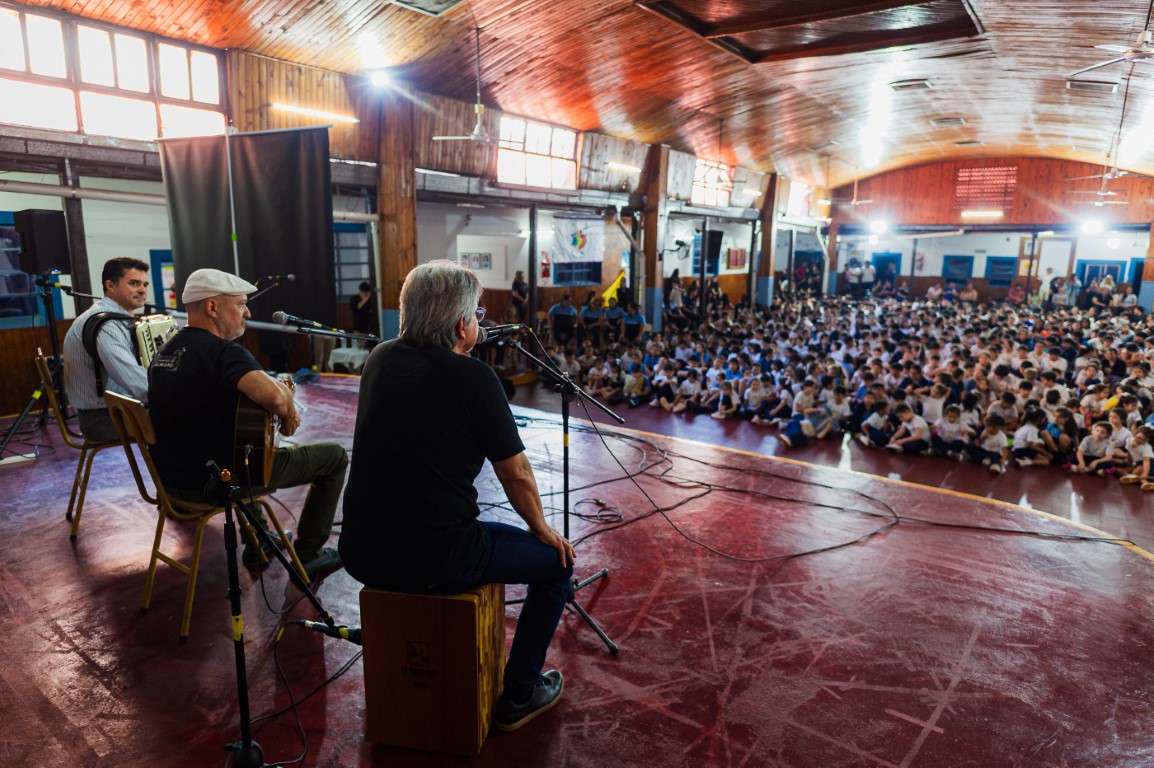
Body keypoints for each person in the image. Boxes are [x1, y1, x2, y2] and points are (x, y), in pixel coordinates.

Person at [339, 260, 574, 732]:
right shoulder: (474, 379)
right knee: (557, 568)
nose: (480, 323)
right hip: (437, 555)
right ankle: (520, 694)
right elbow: (517, 475)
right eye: (477, 314)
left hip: (362, 551)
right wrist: (543, 531)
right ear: (460, 324)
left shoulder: (380, 358)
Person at [148, 269, 346, 575]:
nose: (247, 312)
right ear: (213, 307)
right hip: (217, 484)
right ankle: (308, 553)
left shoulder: (165, 351)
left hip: (173, 484)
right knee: (333, 457)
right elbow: (276, 398)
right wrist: (288, 410)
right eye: (240, 304)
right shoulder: (223, 353)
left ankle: (260, 541)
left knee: (242, 449)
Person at [63, 257, 151, 442]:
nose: (142, 290)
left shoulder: (111, 318)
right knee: (186, 422)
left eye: (145, 284)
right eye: (134, 283)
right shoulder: (106, 324)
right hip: (102, 419)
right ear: (110, 285)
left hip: (115, 411)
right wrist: (175, 396)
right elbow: (133, 380)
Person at [350, 280, 380, 350]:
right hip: (358, 331)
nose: (366, 294)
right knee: (358, 351)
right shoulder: (354, 299)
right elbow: (355, 310)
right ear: (360, 291)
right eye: (364, 292)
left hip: (369, 331)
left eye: (367, 292)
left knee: (369, 351)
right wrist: (364, 300)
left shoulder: (371, 300)